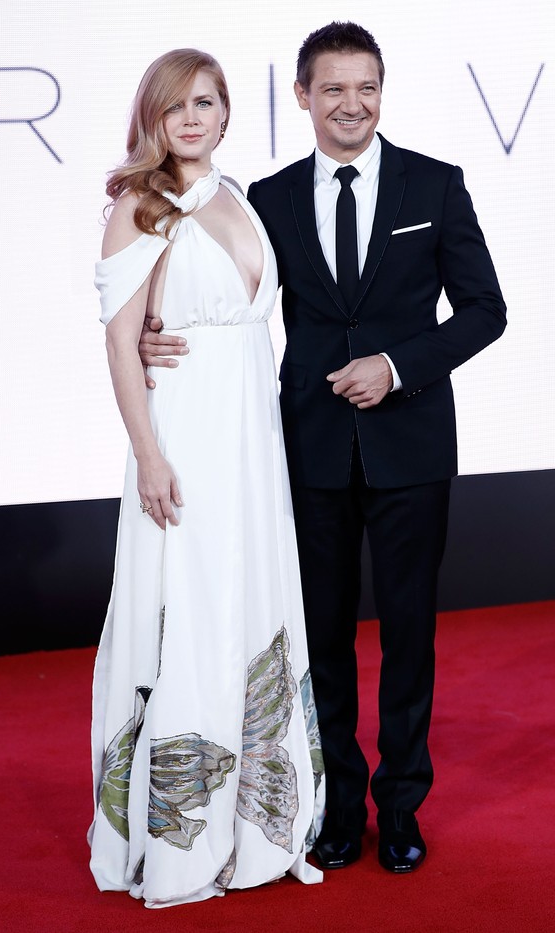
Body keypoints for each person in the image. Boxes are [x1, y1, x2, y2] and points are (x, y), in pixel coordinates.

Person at [140, 23, 507, 875]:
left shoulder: (438, 185)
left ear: (383, 91)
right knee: (324, 641)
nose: (353, 104)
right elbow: (217, 292)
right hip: (302, 452)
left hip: (412, 449)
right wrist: (156, 335)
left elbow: (486, 311)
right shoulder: (262, 198)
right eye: (333, 89)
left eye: (367, 87)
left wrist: (396, 365)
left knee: (410, 638)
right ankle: (341, 807)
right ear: (302, 96)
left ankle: (402, 807)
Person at [88, 48, 324, 909]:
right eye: (174, 105)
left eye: (206, 102)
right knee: (183, 609)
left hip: (252, 440)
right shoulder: (137, 207)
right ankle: (183, 838)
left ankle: (253, 829)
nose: (191, 118)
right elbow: (120, 342)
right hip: (183, 434)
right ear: (152, 119)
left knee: (245, 602)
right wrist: (149, 452)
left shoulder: (243, 200)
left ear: (227, 112)